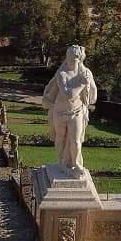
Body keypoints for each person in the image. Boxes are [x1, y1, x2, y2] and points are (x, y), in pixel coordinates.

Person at [42, 45, 97, 177]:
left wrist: (89, 87)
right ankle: (62, 162)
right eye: (69, 58)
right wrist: (82, 83)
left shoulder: (86, 73)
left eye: (74, 59)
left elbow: (93, 98)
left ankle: (76, 164)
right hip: (59, 113)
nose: (71, 61)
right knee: (60, 139)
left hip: (77, 112)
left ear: (80, 59)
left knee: (76, 141)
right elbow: (68, 95)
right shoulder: (62, 73)